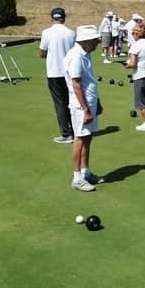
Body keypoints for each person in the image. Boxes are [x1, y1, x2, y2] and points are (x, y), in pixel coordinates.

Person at [64, 25, 104, 191]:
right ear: (86, 41)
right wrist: (86, 109)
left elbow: (89, 81)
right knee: (79, 139)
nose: (97, 43)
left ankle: (85, 172)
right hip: (81, 106)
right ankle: (76, 178)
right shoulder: (76, 56)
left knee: (88, 138)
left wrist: (97, 102)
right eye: (95, 40)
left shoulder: (85, 54)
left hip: (89, 103)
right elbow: (76, 84)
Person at [39, 7, 76, 144]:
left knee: (60, 103)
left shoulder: (46, 33)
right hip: (70, 72)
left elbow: (41, 53)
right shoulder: (71, 33)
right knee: (71, 101)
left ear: (52, 18)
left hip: (54, 73)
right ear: (64, 18)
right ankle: (75, 130)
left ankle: (66, 134)